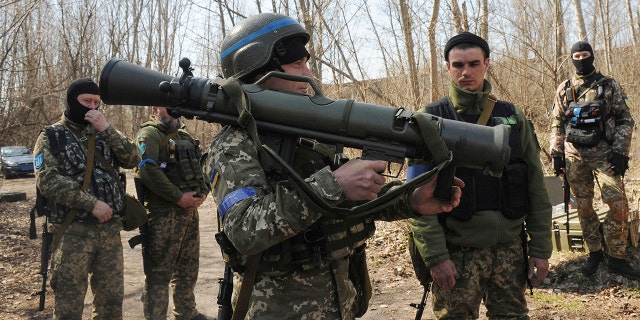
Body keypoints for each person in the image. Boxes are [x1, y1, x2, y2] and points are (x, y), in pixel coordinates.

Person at [202, 12, 463, 320]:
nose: (308, 74)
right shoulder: (234, 143)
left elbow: (349, 201)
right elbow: (244, 229)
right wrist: (333, 183)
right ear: (259, 71)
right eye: (298, 64)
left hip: (342, 302)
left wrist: (409, 200)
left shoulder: (307, 132)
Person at [408, 32, 552, 319]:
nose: (466, 72)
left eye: (474, 64)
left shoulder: (512, 116)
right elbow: (416, 199)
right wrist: (436, 257)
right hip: (457, 253)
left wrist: (541, 248)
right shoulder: (429, 120)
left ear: (487, 64)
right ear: (447, 67)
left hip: (510, 251)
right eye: (458, 65)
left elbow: (535, 184)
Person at [33, 78, 140, 319]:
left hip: (109, 234)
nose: (92, 107)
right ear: (72, 101)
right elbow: (47, 181)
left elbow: (133, 159)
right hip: (72, 234)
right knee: (69, 305)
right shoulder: (51, 136)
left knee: (111, 304)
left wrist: (108, 129)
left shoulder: (104, 132)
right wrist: (90, 203)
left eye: (96, 103)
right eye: (86, 101)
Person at [550, 41, 637, 279]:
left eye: (585, 54)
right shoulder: (565, 88)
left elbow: (625, 120)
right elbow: (557, 122)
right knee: (584, 207)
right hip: (574, 157)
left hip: (606, 155)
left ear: (592, 56)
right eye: (576, 55)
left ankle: (617, 258)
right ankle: (595, 252)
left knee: (619, 206)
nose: (581, 59)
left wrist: (621, 153)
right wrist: (557, 154)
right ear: (571, 58)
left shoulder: (609, 85)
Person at [134, 106, 209, 320]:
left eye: (177, 109)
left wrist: (202, 192)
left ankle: (186, 312)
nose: (175, 113)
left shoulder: (184, 134)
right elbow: (148, 171)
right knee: (159, 272)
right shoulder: (148, 135)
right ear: (155, 109)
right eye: (169, 109)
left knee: (188, 266)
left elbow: (199, 166)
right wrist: (178, 197)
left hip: (189, 213)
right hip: (162, 215)